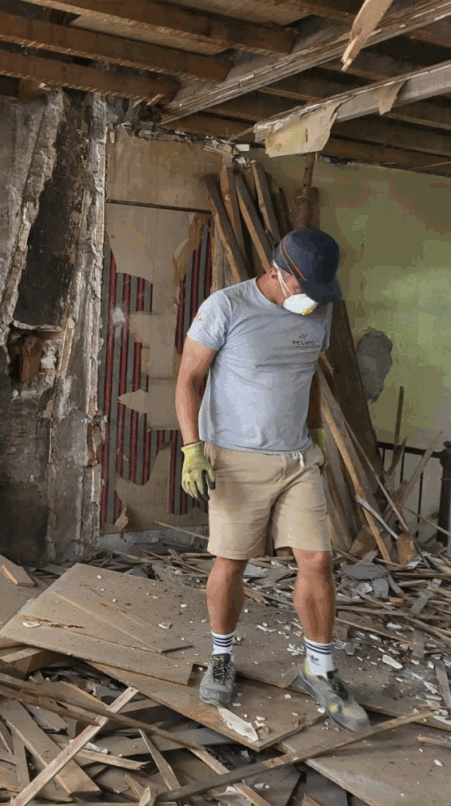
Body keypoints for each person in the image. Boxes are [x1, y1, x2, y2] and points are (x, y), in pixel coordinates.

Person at [174, 227, 368, 732]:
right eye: (303, 287)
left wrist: (317, 439)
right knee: (231, 563)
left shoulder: (317, 309)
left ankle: (319, 668)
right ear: (278, 271)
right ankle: (221, 657)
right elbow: (190, 377)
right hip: (237, 456)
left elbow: (307, 379)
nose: (312, 300)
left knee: (319, 560)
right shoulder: (226, 307)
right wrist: (193, 448)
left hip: (297, 456)